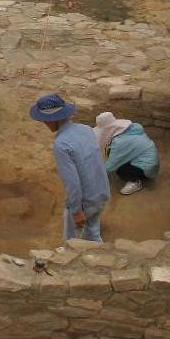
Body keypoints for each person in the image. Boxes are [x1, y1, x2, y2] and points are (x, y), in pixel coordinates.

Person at [30, 93, 110, 242]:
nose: (44, 124)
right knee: (92, 231)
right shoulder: (86, 129)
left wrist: (76, 210)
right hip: (101, 191)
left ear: (53, 120)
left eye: (45, 120)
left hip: (86, 202)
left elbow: (72, 182)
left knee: (72, 243)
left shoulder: (61, 144)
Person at [93, 111, 159, 195]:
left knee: (120, 170)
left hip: (147, 169)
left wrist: (95, 175)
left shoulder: (119, 142)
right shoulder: (130, 129)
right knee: (116, 161)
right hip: (150, 161)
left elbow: (110, 166)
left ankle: (135, 181)